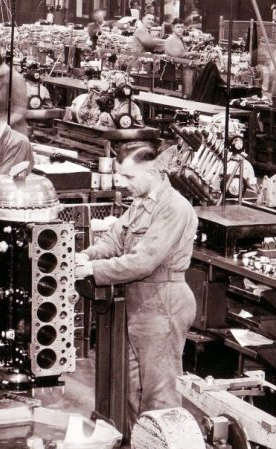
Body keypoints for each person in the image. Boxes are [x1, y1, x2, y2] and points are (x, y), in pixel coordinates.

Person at [74, 143, 197, 426]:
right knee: (133, 390)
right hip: (140, 302)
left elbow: (143, 261)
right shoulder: (141, 203)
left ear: (152, 171)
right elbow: (114, 240)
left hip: (164, 303)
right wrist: (86, 256)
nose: (121, 182)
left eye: (129, 176)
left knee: (159, 393)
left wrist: (92, 269)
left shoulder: (173, 208)